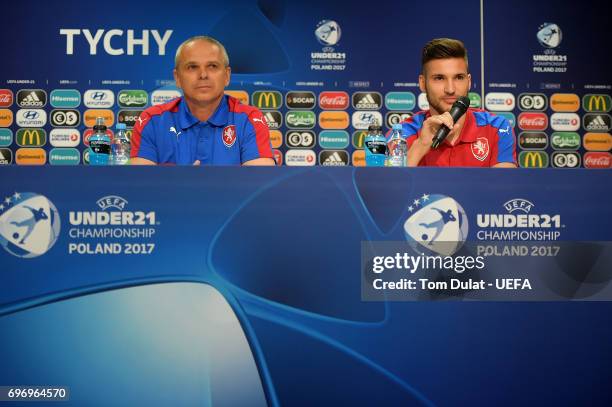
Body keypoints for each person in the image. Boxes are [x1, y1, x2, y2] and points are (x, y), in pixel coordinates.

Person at [130, 36, 275, 165]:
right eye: (192, 67)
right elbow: (140, 187)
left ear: (227, 75)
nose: (203, 75)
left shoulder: (249, 120)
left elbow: (259, 186)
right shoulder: (152, 121)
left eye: (212, 66)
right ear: (177, 78)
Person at [401, 38, 516, 167]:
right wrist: (421, 145)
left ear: (469, 82)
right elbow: (390, 185)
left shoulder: (496, 128)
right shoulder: (402, 133)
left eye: (459, 77)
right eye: (439, 78)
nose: (450, 89)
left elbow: (504, 185)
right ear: (422, 83)